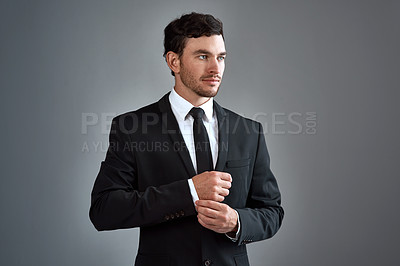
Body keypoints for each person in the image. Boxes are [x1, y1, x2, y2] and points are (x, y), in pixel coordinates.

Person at [90, 12, 284, 266]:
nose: (216, 68)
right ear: (174, 61)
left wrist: (237, 222)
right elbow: (104, 210)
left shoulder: (249, 131)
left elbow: (272, 212)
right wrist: (190, 192)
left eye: (221, 57)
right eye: (203, 56)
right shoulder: (132, 128)